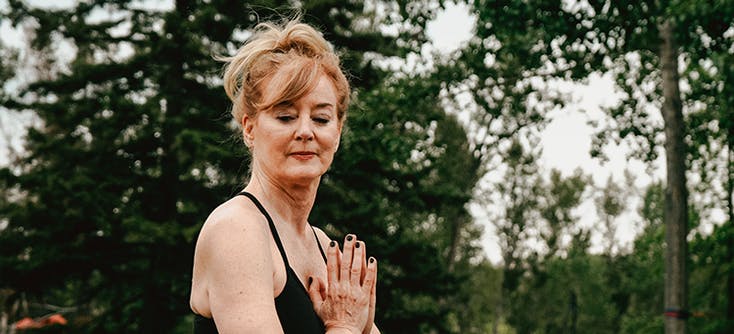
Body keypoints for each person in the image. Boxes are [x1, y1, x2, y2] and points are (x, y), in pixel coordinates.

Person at [189, 18, 380, 334]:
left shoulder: (322, 245)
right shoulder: (236, 231)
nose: (305, 131)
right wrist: (345, 325)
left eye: (320, 118)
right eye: (286, 116)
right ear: (249, 128)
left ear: (338, 131)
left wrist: (363, 323)